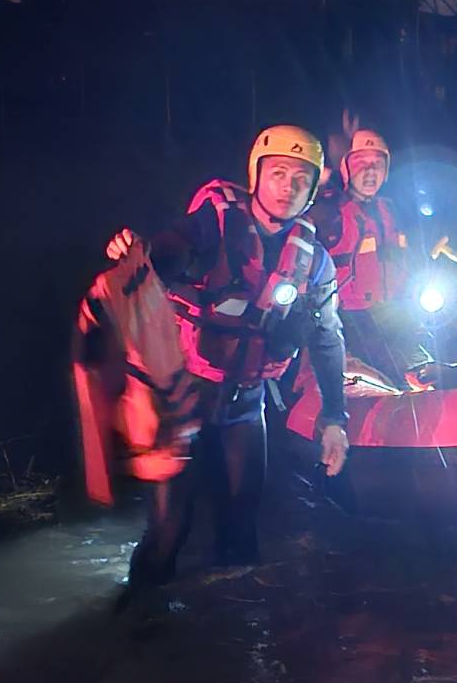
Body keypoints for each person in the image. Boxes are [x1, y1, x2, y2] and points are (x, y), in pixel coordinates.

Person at [106, 125, 351, 585]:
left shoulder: (314, 260)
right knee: (169, 529)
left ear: (314, 188)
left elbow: (327, 338)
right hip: (179, 395)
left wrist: (335, 419)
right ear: (256, 175)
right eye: (278, 172)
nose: (288, 186)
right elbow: (170, 248)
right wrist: (139, 252)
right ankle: (139, 627)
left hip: (244, 401)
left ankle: (233, 636)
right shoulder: (212, 224)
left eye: (302, 178)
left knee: (242, 525)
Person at [309, 127, 422, 385]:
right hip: (351, 321)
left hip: (396, 315)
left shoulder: (391, 209)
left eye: (378, 164)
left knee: (425, 372)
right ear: (347, 169)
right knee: (394, 378)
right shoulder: (328, 212)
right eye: (361, 163)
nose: (370, 171)